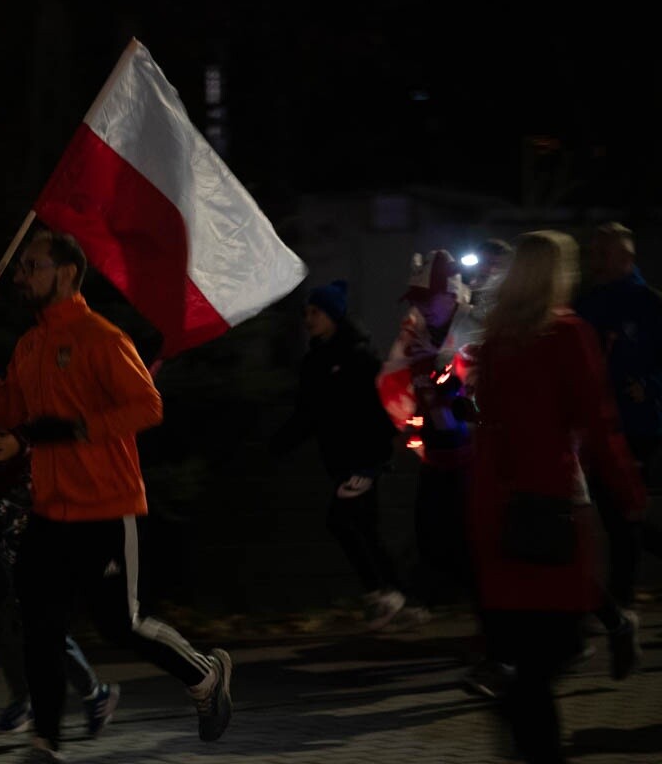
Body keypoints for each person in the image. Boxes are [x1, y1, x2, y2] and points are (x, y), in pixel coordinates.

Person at [0, 229, 232, 763]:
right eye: (20, 268)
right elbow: (12, 412)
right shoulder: (31, 343)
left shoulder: (102, 337)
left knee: (120, 625)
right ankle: (46, 744)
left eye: (31, 266)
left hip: (107, 509)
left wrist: (78, 429)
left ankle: (205, 675)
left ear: (66, 273)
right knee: (39, 626)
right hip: (48, 511)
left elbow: (147, 407)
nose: (19, 276)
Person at [470, 230, 646, 763]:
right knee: (551, 652)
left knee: (524, 660)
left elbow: (487, 422)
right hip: (553, 503)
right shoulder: (568, 334)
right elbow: (598, 421)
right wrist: (629, 491)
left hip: (499, 507)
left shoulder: (496, 339)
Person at [0, 420, 118, 736]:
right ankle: (93, 696)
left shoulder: (40, 474)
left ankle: (29, 704)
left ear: (20, 438)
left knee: (24, 629)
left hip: (49, 566)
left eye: (2, 433)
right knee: (32, 632)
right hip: (16, 570)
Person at [270, 280, 404, 629]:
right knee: (364, 528)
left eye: (315, 312)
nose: (308, 318)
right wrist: (277, 446)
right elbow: (308, 414)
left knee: (342, 521)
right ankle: (401, 598)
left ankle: (384, 594)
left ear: (333, 315)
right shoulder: (316, 360)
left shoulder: (358, 356)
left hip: (363, 459)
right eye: (306, 312)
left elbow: (379, 409)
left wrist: (378, 457)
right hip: (341, 459)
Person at [575, 222, 662, 656]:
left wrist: (649, 385)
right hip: (590, 427)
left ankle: (621, 603)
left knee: (621, 512)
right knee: (611, 512)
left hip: (634, 425)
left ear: (626, 258)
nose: (596, 261)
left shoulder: (648, 305)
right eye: (594, 252)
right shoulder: (587, 302)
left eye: (603, 253)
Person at [378, 250, 480, 613]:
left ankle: (487, 615)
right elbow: (406, 389)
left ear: (451, 294)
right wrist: (417, 427)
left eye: (427, 298)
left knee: (470, 537)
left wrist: (458, 391)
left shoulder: (476, 334)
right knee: (429, 530)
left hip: (476, 460)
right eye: (417, 300)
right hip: (438, 456)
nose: (421, 307)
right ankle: (429, 600)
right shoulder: (416, 338)